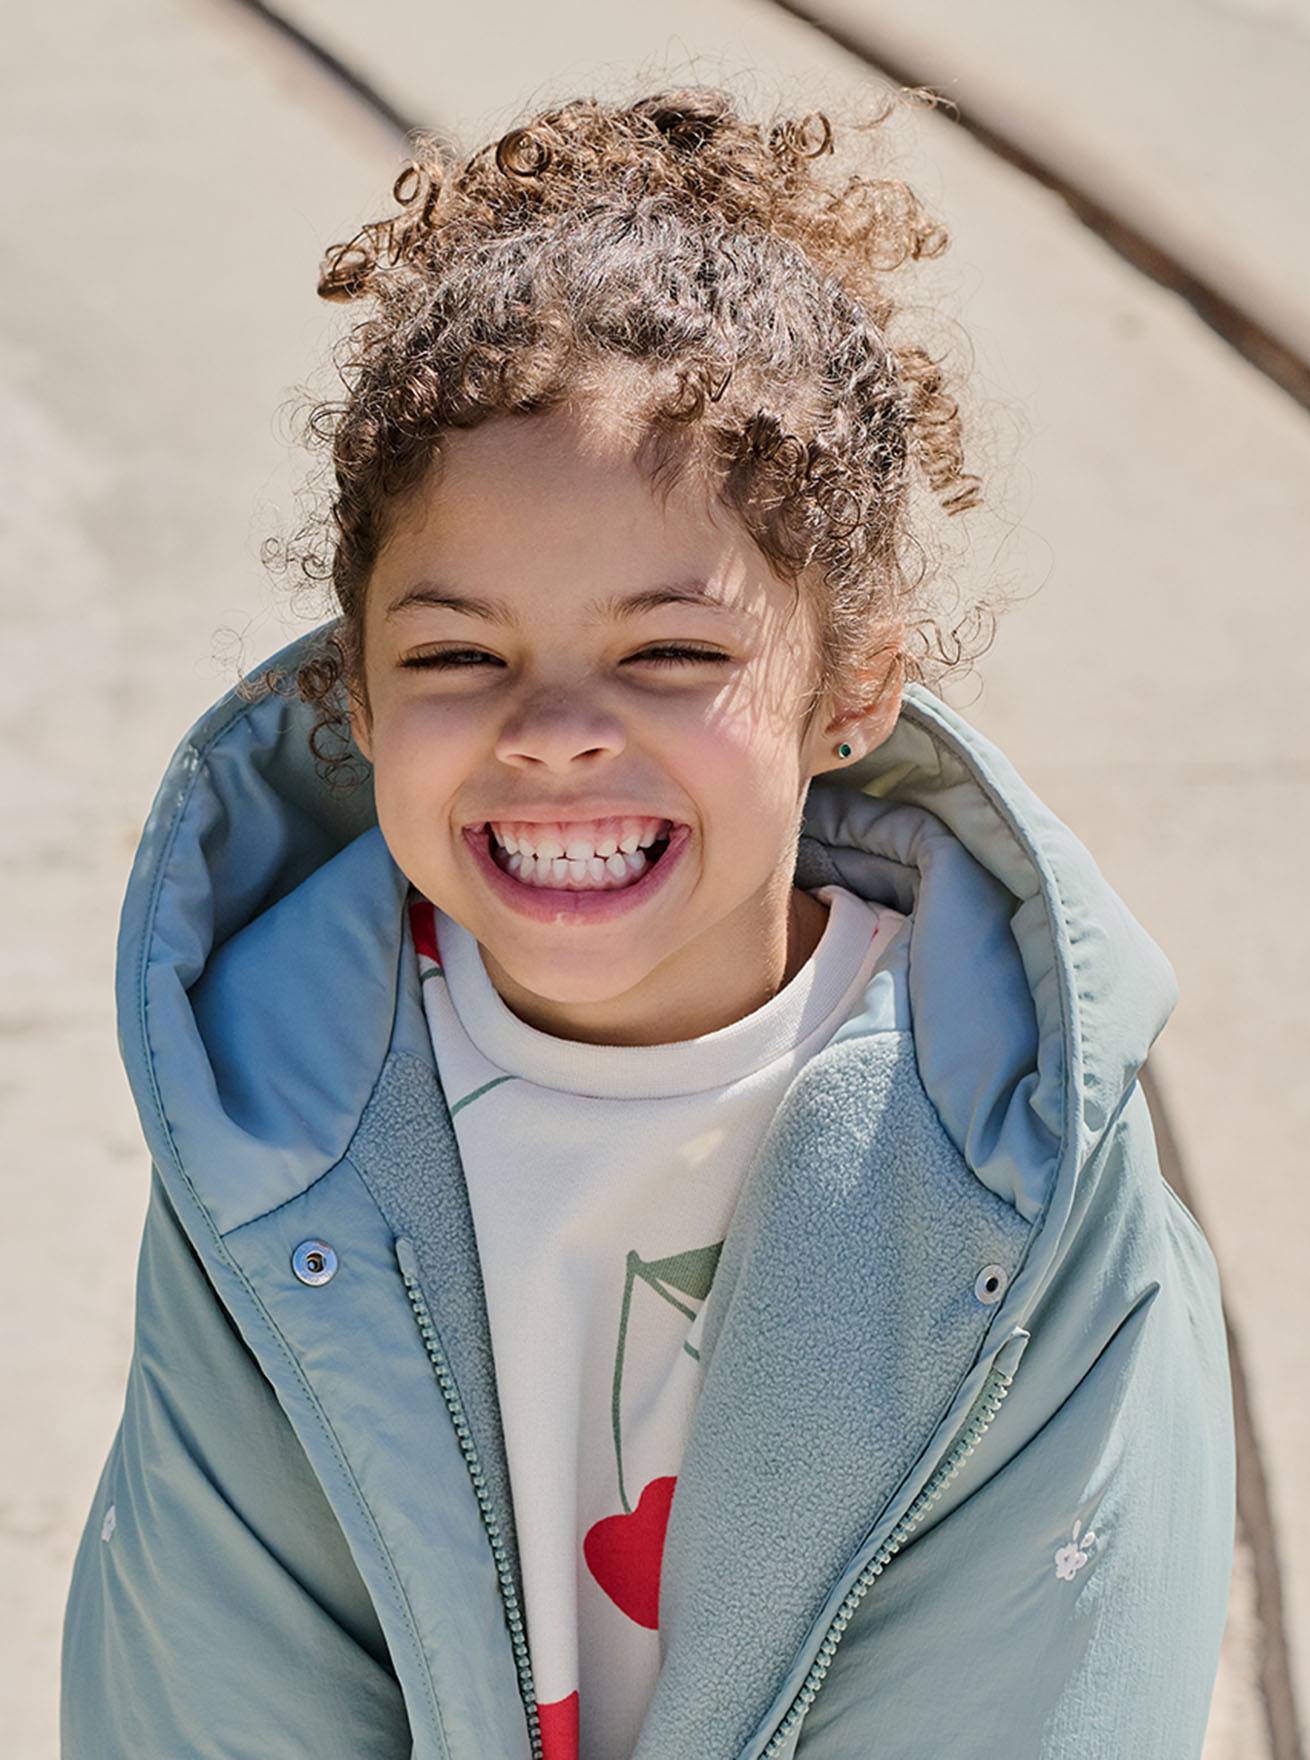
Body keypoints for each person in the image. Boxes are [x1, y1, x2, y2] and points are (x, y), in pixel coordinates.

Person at [60, 84, 1235, 1760]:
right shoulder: (271, 1124)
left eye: (671, 654)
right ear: (358, 697)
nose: (552, 729)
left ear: (852, 688)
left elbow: (1050, 1683)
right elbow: (213, 1679)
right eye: (458, 655)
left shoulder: (1025, 1168)